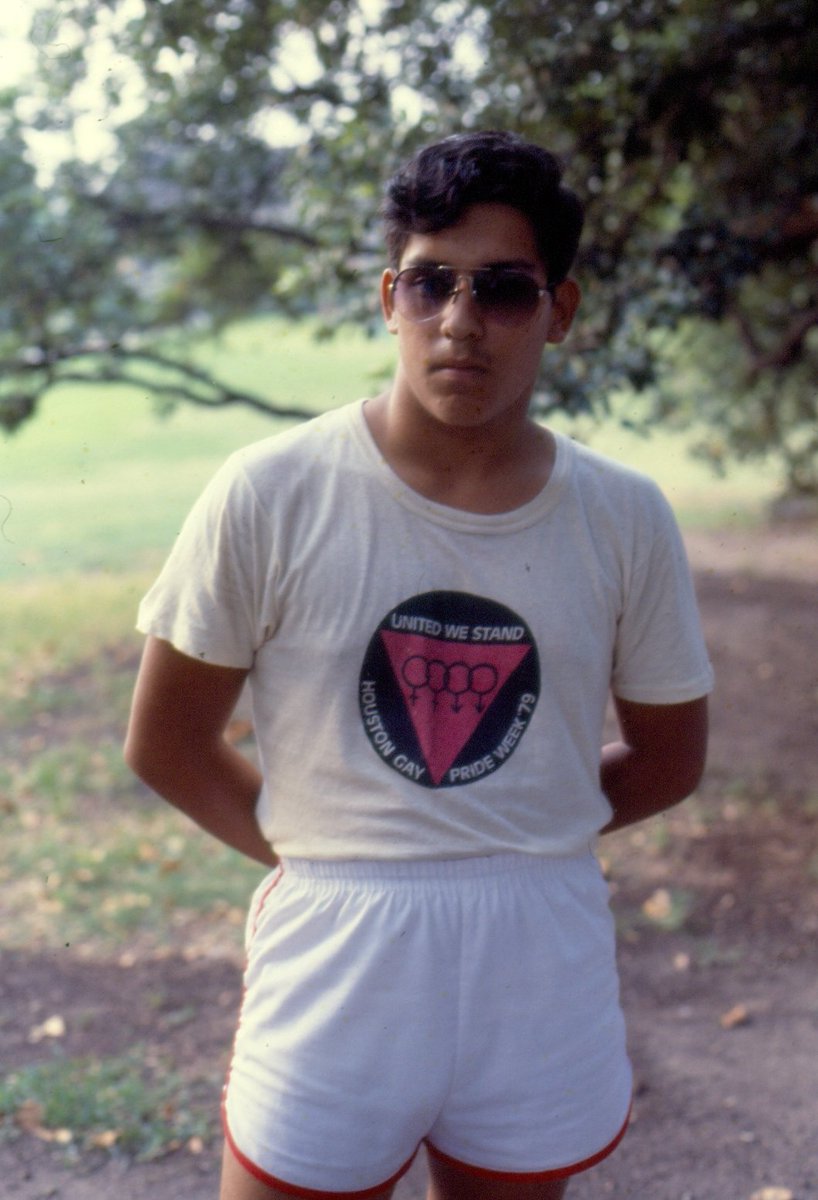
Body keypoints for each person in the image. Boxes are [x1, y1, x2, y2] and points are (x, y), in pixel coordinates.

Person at [125, 130, 714, 1200]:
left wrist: (516, 830)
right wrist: (336, 854)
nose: (460, 321)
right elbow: (166, 742)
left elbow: (670, 758)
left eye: (503, 289)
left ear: (560, 310)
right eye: (431, 282)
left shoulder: (622, 515)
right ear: (387, 298)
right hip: (336, 948)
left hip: (537, 953)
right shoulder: (271, 490)